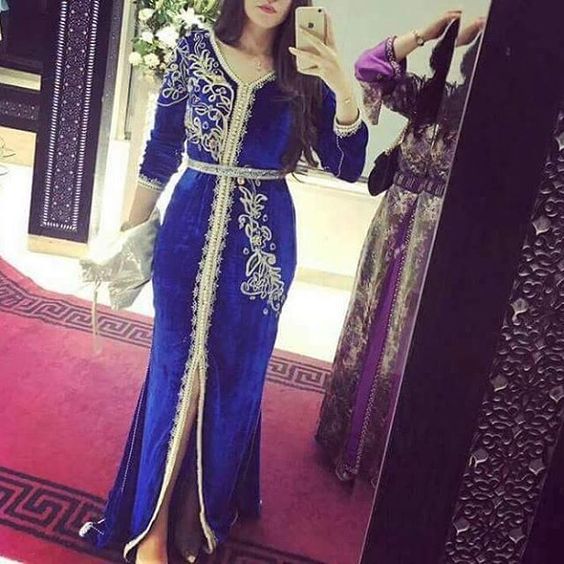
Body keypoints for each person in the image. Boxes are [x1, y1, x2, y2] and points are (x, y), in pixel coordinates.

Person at [79, 1, 368, 562]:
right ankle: (154, 526)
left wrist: (340, 82)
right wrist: (128, 233)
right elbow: (161, 150)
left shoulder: (306, 72)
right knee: (175, 371)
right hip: (187, 232)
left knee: (236, 375)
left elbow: (348, 165)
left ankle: (200, 511)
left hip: (261, 248)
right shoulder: (195, 49)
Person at [315, 13, 485, 485]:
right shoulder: (428, 98)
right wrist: (428, 35)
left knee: (411, 341)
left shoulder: (495, 127)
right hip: (391, 234)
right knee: (371, 323)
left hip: (438, 246)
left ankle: (385, 456)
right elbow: (368, 68)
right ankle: (346, 440)